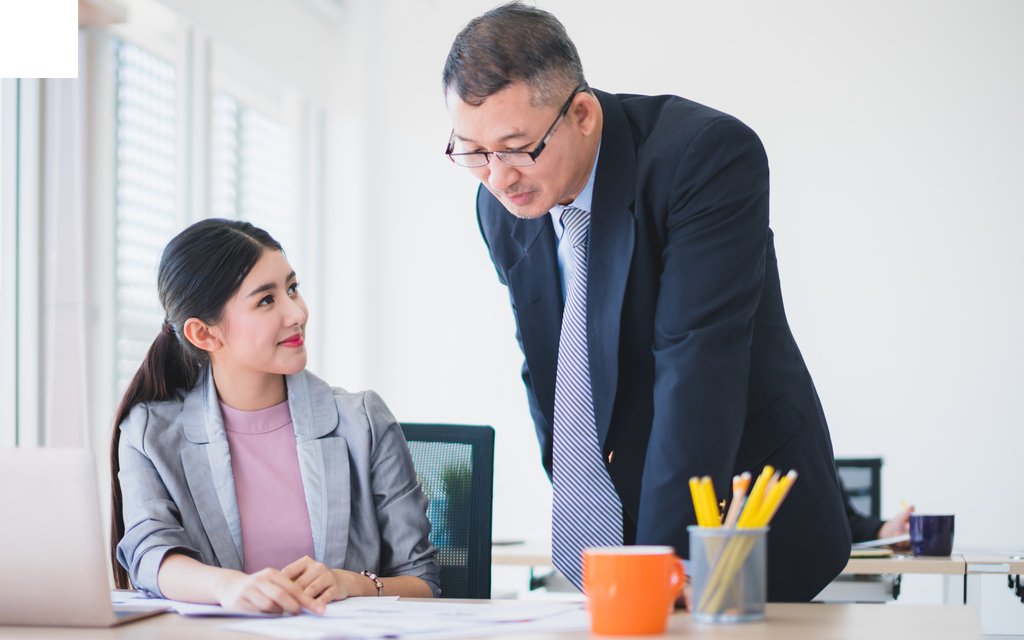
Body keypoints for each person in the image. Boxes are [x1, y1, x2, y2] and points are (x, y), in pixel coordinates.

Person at [442, 2, 851, 602]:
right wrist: (584, 505)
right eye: (471, 151)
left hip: (735, 518)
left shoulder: (703, 157)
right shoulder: (501, 207)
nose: (497, 177)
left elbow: (697, 365)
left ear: (581, 113)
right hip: (621, 530)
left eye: (516, 147)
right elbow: (550, 367)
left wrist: (657, 566)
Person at [110, 219, 439, 614]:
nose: (296, 313)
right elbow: (149, 555)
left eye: (292, 289)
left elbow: (424, 582)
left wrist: (351, 582)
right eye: (266, 300)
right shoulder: (150, 432)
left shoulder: (362, 421)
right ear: (204, 335)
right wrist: (226, 586)